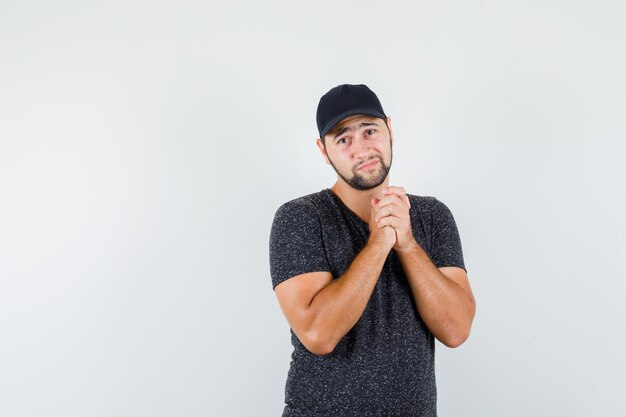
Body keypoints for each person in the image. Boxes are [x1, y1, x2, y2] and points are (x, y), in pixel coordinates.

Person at [269, 83, 476, 416]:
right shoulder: (301, 218)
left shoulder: (433, 216)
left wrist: (407, 243)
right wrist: (379, 243)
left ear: (390, 129)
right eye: (343, 139)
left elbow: (455, 330)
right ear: (324, 151)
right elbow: (318, 334)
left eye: (369, 131)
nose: (361, 150)